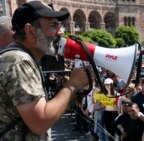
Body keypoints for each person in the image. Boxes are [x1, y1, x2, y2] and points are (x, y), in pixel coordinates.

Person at [0, 1, 89, 140]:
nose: (61, 32)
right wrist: (73, 84)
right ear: (30, 30)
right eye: (53, 25)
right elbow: (40, 123)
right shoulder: (19, 62)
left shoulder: (17, 57)